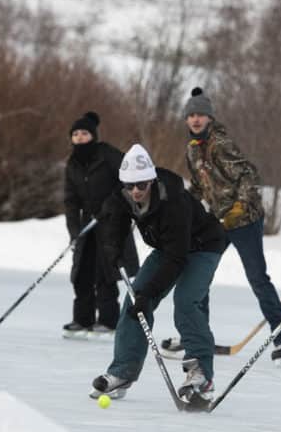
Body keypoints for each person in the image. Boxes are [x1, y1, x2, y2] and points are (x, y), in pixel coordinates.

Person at [89, 143, 227, 407]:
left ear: (151, 180)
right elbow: (114, 224)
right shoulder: (122, 196)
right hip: (168, 248)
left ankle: (201, 375)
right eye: (130, 186)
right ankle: (122, 371)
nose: (136, 191)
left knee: (186, 303)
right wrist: (113, 250)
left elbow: (177, 258)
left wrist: (148, 293)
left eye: (141, 185)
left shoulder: (172, 200)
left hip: (203, 246)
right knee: (133, 303)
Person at [183, 87, 281, 365]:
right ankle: (199, 338)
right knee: (201, 276)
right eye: (191, 115)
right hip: (218, 220)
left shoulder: (221, 144)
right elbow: (198, 186)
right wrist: (184, 209)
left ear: (209, 118)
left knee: (258, 279)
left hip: (245, 220)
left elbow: (249, 175)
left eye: (201, 115)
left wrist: (240, 207)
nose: (196, 120)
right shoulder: (193, 150)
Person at [62, 111, 139, 339]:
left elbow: (128, 178)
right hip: (88, 224)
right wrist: (74, 232)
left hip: (111, 222)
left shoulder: (107, 154)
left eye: (84, 133)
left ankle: (108, 320)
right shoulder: (72, 163)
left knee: (105, 272)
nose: (79, 137)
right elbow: (70, 200)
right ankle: (82, 319)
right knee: (82, 271)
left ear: (92, 136)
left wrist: (112, 203)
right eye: (75, 134)